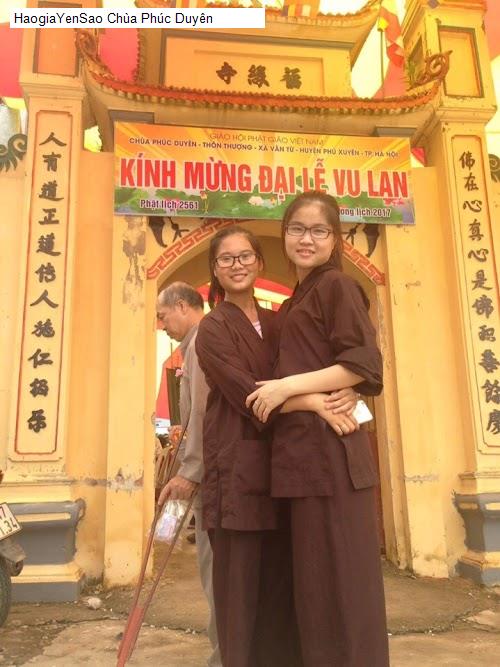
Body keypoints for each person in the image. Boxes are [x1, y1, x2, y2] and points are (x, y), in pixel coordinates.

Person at [195, 226, 358, 667]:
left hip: (285, 467)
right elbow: (247, 392)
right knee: (241, 593)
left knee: (284, 590)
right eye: (226, 259)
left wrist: (348, 388)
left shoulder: (277, 321)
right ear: (215, 269)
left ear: (259, 262)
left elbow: (312, 366)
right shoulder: (212, 329)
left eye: (245, 256)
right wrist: (314, 403)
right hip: (237, 471)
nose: (237, 265)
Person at [246, 191, 390, 667]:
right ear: (284, 234)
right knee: (312, 588)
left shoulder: (337, 287)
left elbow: (363, 365)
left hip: (333, 457)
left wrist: (287, 387)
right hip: (301, 458)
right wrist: (301, 395)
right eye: (296, 229)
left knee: (341, 586)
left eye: (318, 230)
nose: (305, 239)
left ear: (335, 239)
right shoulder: (295, 302)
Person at [156, 282, 221, 667]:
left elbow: (202, 412)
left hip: (211, 476)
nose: (161, 325)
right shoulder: (192, 346)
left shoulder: (200, 344)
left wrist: (190, 471)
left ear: (182, 306)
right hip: (208, 471)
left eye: (163, 316)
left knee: (217, 576)